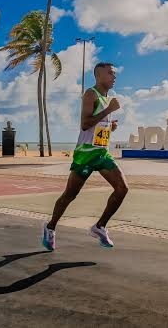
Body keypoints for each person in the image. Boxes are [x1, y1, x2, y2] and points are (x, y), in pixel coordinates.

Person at [42, 62, 127, 251]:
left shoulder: (107, 97)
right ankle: (50, 227)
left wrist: (109, 126)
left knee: (122, 188)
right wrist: (108, 111)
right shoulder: (91, 94)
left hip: (102, 153)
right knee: (70, 195)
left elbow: (97, 125)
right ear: (99, 75)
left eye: (115, 74)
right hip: (86, 154)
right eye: (111, 73)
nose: (114, 77)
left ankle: (100, 226)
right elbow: (85, 124)